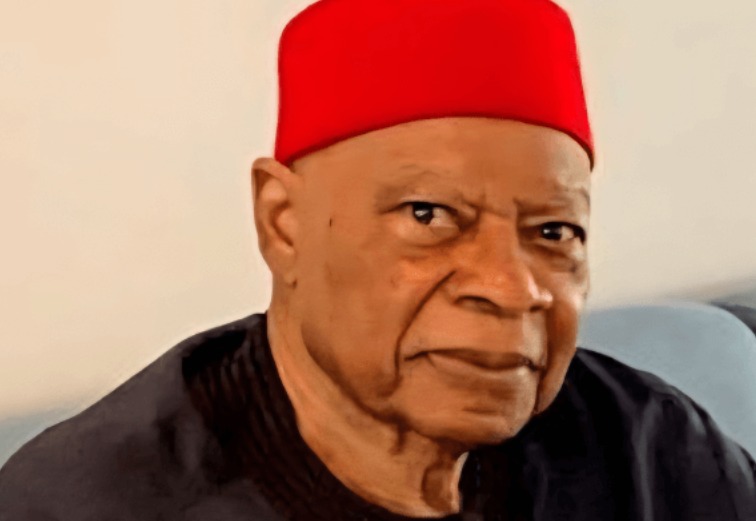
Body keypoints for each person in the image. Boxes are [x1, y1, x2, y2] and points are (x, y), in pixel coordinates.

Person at [1, 0, 754, 519]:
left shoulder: (649, 446)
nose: (511, 286)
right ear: (283, 223)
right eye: (429, 215)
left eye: (554, 232)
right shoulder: (82, 502)